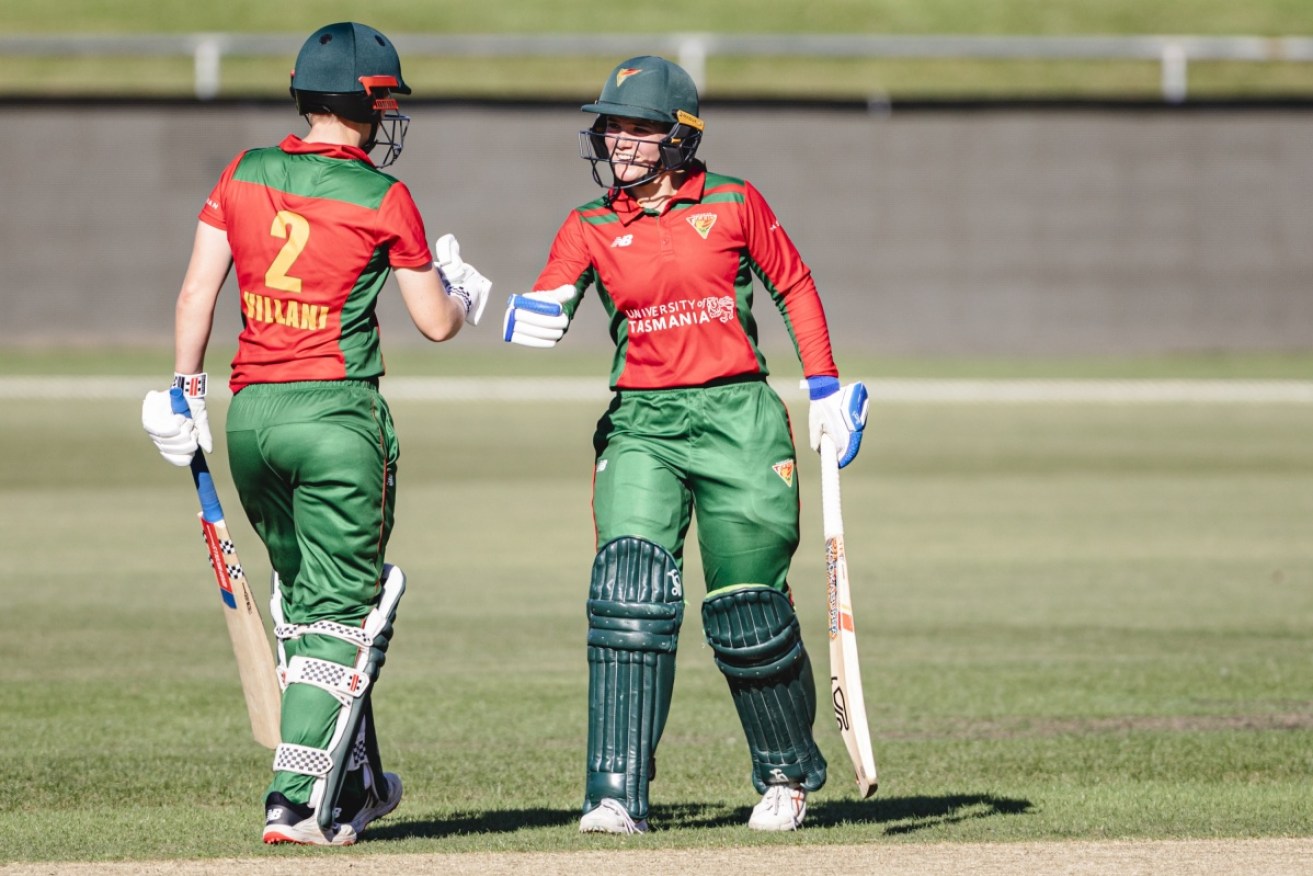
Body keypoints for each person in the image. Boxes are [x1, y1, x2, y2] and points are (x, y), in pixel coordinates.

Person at [141, 22, 491, 846]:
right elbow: (435, 322)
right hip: (336, 417)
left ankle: (359, 785)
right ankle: (294, 801)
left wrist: (182, 393)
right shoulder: (381, 196)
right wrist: (461, 289)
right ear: (366, 104)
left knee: (304, 604)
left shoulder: (246, 170)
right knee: (342, 613)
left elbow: (198, 291)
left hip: (252, 420)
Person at [503, 55, 869, 833]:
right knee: (626, 588)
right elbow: (543, 316)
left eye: (635, 128)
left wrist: (825, 389)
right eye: (611, 126)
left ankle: (784, 776)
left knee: (748, 609)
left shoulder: (734, 202)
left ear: (679, 137)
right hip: (641, 421)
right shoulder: (589, 224)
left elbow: (794, 286)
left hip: (737, 416)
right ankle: (614, 795)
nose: (616, 140)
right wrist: (485, 302)